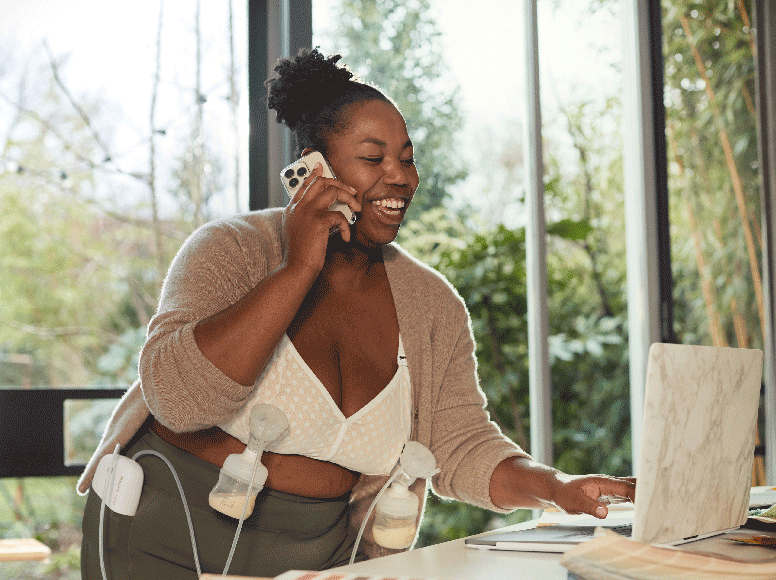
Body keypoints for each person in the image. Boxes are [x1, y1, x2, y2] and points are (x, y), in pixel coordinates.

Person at [78, 48, 635, 580]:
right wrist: (297, 269)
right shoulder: (229, 250)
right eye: (374, 158)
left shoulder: (431, 304)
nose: (401, 177)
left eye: (408, 159)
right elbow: (176, 397)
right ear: (311, 168)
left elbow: (460, 444)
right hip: (165, 540)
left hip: (319, 556)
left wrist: (557, 487)